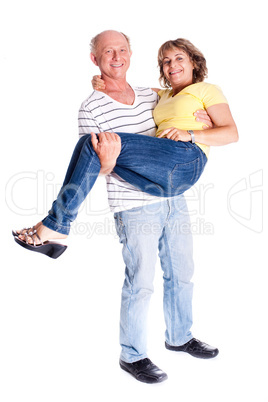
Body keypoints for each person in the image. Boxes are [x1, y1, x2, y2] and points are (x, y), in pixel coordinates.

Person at [13, 31, 238, 383]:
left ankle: (180, 337)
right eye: (107, 52)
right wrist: (109, 155)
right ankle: (133, 356)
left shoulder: (153, 95)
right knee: (141, 282)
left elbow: (214, 124)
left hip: (172, 195)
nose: (115, 57)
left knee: (181, 273)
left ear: (131, 54)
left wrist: (197, 129)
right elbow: (96, 169)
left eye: (121, 50)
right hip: (133, 205)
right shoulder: (94, 105)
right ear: (96, 60)